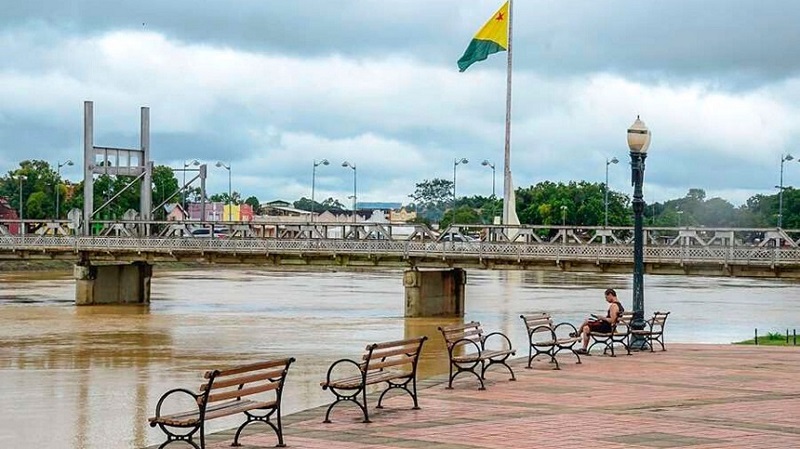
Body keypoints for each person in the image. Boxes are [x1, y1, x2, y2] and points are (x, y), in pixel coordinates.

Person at [573, 288, 625, 354]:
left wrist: (602, 318)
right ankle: (582, 345)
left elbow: (612, 320)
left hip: (606, 327)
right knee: (586, 325)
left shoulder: (614, 306)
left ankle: (579, 338)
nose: (606, 299)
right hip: (609, 327)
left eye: (606, 297)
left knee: (586, 324)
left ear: (610, 295)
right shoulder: (620, 306)